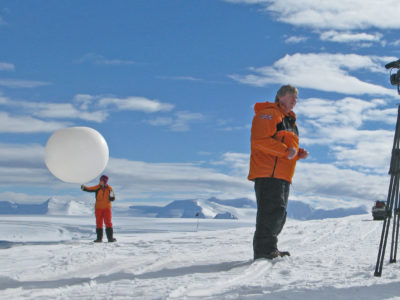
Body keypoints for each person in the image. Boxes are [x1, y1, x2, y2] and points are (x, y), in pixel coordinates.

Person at [248, 84, 308, 260]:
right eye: (292, 97)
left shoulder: (289, 120)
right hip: (268, 172)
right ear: (281, 96)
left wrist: (297, 154)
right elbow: (259, 141)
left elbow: (287, 148)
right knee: (271, 212)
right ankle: (264, 251)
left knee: (278, 214)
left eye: (296, 98)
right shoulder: (269, 114)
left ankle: (269, 248)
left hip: (282, 174)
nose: (295, 101)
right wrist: (285, 151)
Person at [81, 174, 117, 243]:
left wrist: (112, 197)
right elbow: (89, 189)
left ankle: (110, 238)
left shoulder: (110, 188)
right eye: (100, 180)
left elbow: (113, 198)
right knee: (98, 223)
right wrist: (84, 188)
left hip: (107, 208)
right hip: (98, 208)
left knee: (108, 223)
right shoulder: (97, 187)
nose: (100, 182)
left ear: (105, 181)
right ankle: (99, 239)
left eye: (101, 181)